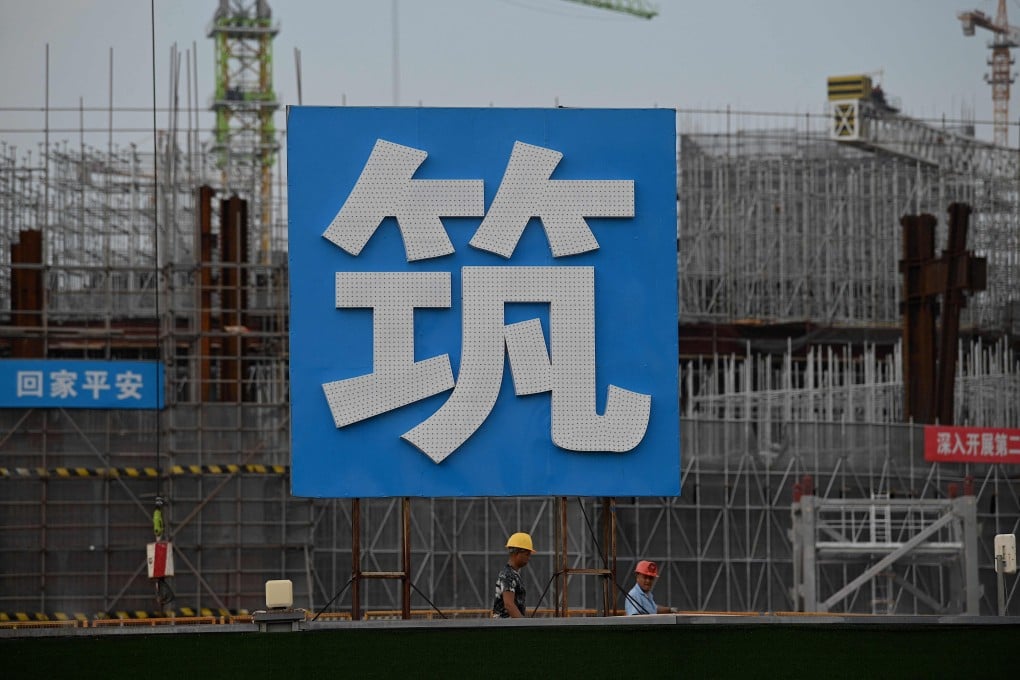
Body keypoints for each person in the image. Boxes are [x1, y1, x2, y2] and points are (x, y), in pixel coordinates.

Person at [492, 532, 534, 618]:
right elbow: (509, 605)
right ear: (517, 553)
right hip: (505, 627)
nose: (529, 558)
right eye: (527, 554)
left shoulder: (513, 574)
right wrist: (523, 625)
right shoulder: (508, 575)